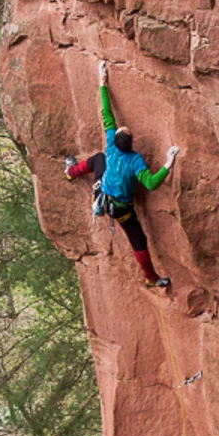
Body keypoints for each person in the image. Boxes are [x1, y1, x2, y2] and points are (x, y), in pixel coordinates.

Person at [65, 60, 179, 289]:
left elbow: (106, 113)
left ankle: (71, 172)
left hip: (103, 194)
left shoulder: (110, 146)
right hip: (122, 209)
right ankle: (151, 277)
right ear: (131, 141)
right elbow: (151, 183)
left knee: (99, 159)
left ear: (116, 140)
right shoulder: (135, 160)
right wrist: (169, 161)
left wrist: (102, 82)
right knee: (138, 240)